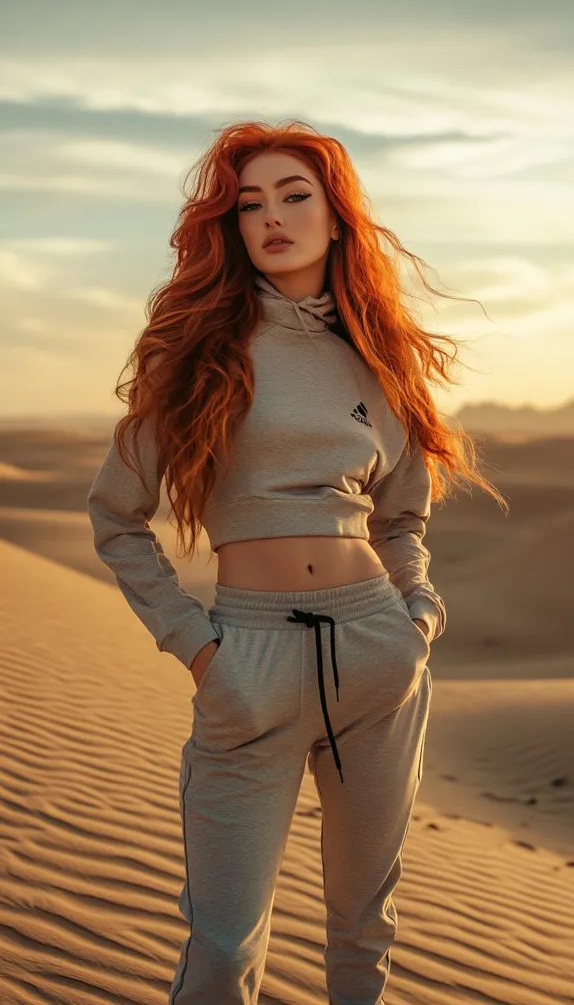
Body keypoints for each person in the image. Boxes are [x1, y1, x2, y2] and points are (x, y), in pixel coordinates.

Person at [87, 120, 507, 1004]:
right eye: (250, 205)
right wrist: (199, 649)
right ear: (231, 229)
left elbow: (401, 523)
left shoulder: (379, 362)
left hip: (377, 657)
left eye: (294, 195)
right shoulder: (196, 352)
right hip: (249, 661)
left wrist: (417, 619)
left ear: (337, 216)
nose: (271, 217)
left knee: (364, 937)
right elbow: (118, 519)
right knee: (222, 951)